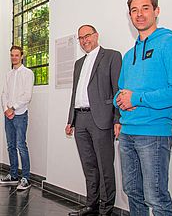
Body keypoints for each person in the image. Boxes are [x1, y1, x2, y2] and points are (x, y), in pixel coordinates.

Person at [114, 0, 172, 216]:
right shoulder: (129, 55)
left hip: (154, 134)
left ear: (156, 11)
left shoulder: (170, 43)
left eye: (145, 8)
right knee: (132, 193)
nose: (139, 14)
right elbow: (121, 90)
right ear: (130, 16)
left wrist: (136, 98)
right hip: (127, 134)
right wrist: (120, 104)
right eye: (134, 10)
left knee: (156, 199)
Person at [65, 25, 122, 216]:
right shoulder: (78, 63)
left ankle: (106, 209)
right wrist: (70, 119)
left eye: (87, 36)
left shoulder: (112, 56)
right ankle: (92, 205)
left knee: (105, 166)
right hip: (80, 119)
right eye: (80, 38)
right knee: (89, 165)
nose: (84, 40)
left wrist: (117, 119)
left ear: (96, 36)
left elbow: (117, 90)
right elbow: (75, 93)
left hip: (101, 119)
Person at [0, 46, 34, 190]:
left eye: (16, 55)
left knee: (21, 146)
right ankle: (13, 175)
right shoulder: (8, 74)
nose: (14, 58)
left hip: (20, 114)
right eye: (12, 55)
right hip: (8, 115)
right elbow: (3, 94)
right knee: (10, 145)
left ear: (21, 56)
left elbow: (27, 95)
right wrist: (6, 109)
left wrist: (13, 108)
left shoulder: (28, 73)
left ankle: (26, 178)